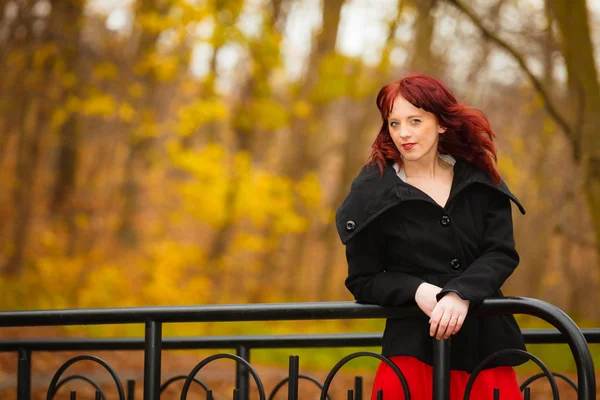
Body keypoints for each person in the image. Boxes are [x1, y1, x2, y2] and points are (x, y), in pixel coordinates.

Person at [335, 73, 526, 400]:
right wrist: (416, 290)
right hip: (412, 352)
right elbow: (363, 279)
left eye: (415, 121)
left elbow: (501, 252)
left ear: (440, 123)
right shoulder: (373, 192)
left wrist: (461, 293)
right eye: (394, 124)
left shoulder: (480, 179)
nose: (404, 133)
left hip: (484, 349)